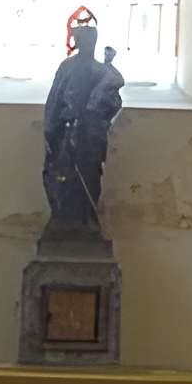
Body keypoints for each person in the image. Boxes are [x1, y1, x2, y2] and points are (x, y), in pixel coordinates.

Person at [40, 16, 124, 235]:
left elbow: (113, 104)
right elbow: (55, 99)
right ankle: (63, 218)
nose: (86, 44)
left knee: (89, 176)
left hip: (91, 135)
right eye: (83, 40)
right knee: (63, 175)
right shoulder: (67, 67)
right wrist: (52, 129)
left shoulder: (102, 71)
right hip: (66, 131)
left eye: (90, 40)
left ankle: (87, 217)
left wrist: (96, 112)